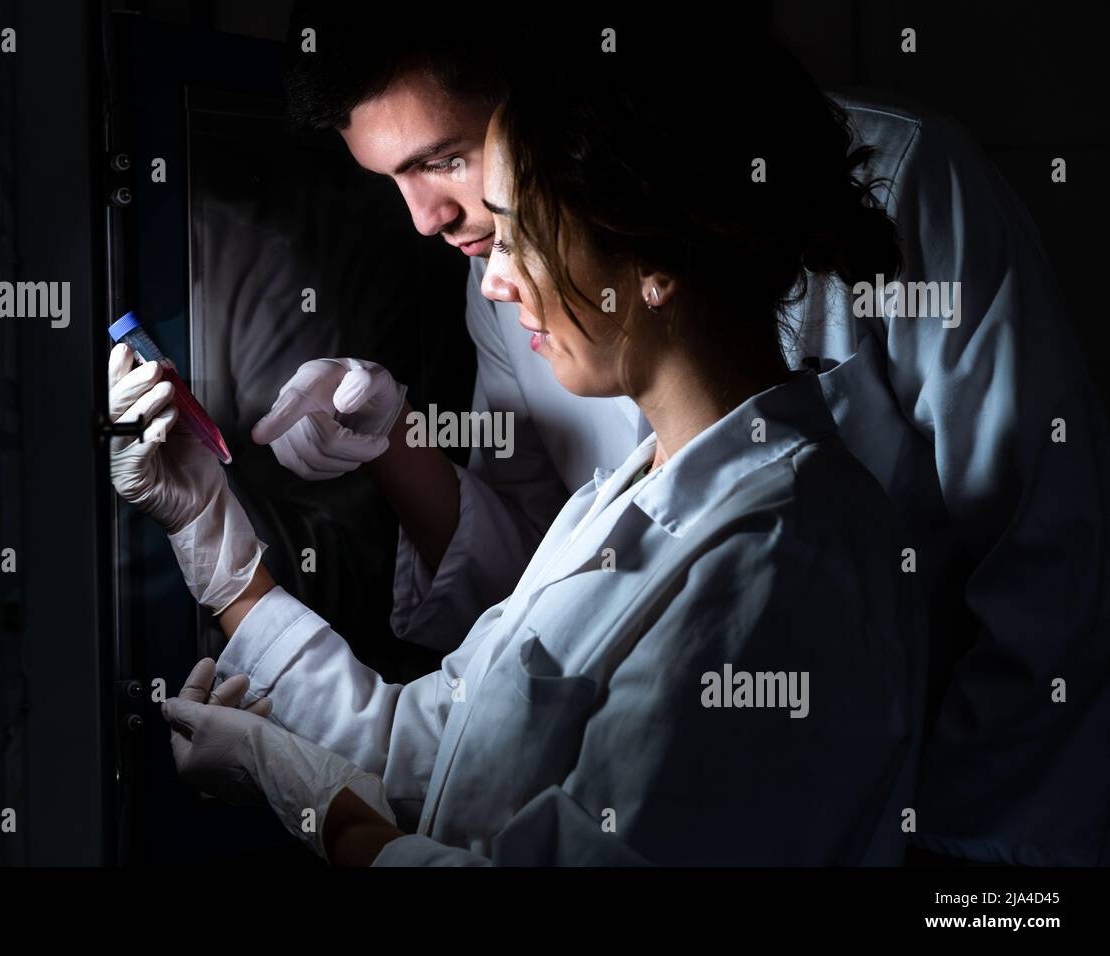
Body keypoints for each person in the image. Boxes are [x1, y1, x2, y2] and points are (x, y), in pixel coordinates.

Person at [242, 11, 1110, 866]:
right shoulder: (569, 398)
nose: (428, 221)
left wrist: (935, 837)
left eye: (445, 160)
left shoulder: (789, 528)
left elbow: (1047, 548)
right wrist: (386, 448)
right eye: (392, 180)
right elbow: (531, 602)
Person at [117, 23, 924, 865]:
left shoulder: (778, 558)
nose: (496, 279)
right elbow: (428, 748)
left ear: (649, 259)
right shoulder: (615, 503)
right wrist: (213, 537)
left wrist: (307, 798)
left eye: (519, 232)